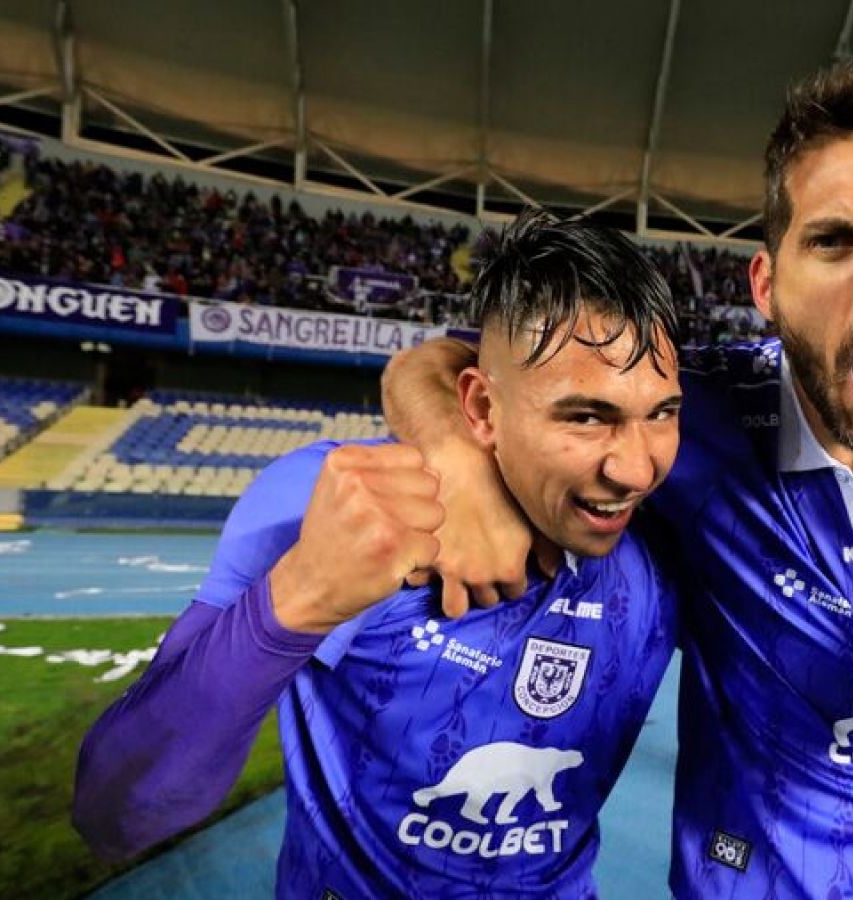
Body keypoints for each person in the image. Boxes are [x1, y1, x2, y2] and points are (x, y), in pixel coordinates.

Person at [382, 48, 853, 897]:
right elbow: (437, 365)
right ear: (768, 283)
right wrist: (458, 463)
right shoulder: (687, 413)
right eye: (833, 240)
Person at [73, 212, 687, 898]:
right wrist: (298, 598)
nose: (636, 470)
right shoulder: (336, 499)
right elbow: (115, 817)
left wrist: (452, 447)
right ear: (482, 408)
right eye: (586, 416)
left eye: (663, 412)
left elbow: (442, 361)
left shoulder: (677, 532)